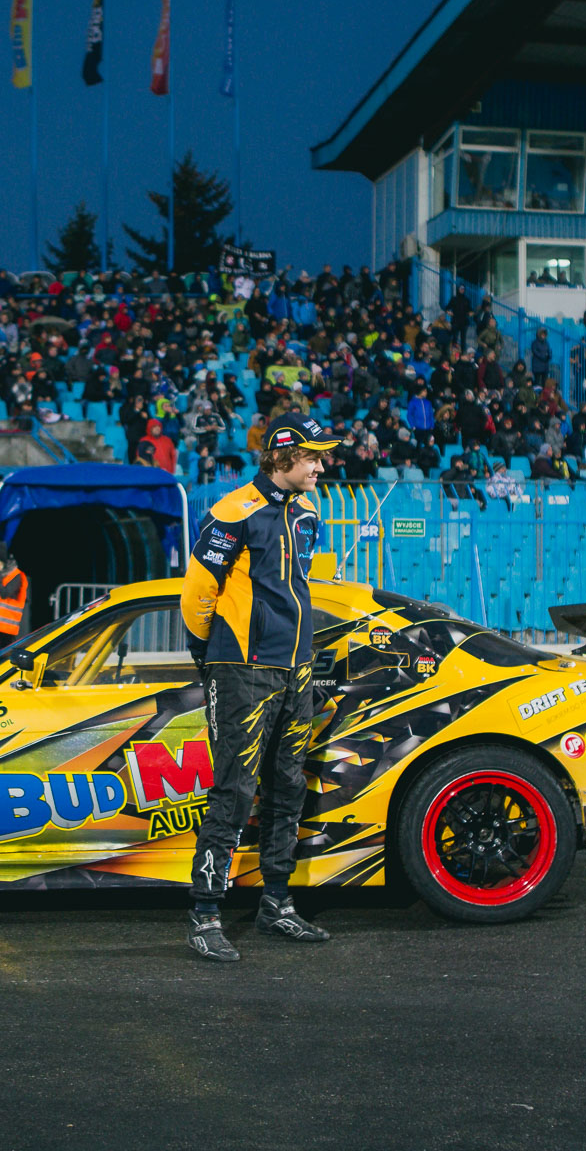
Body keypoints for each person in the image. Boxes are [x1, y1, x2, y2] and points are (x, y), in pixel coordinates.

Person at [178, 412, 338, 961]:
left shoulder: (310, 511)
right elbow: (199, 587)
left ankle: (276, 902)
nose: (322, 464)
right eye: (313, 455)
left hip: (295, 669)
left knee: (288, 785)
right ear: (282, 456)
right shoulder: (232, 510)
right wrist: (208, 651)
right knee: (235, 790)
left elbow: (296, 589)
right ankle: (204, 913)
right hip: (242, 669)